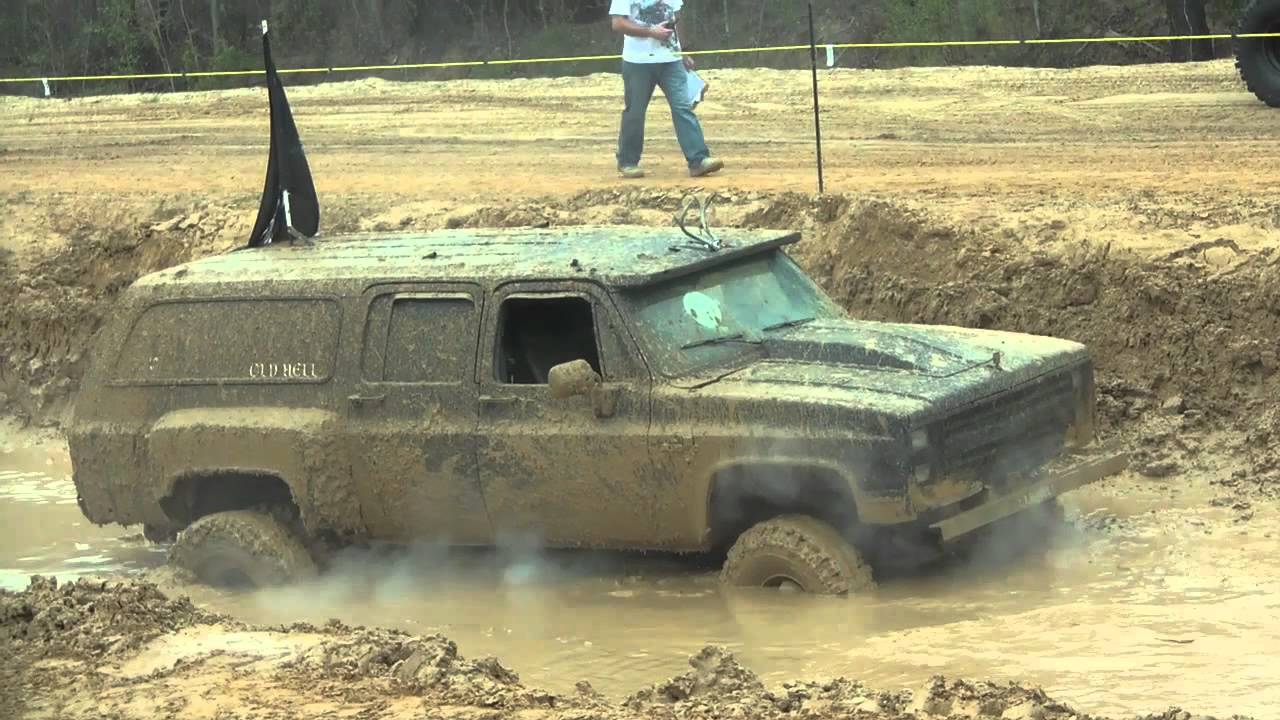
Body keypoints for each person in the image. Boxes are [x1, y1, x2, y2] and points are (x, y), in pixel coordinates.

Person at [608, 1, 725, 179]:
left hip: (671, 60)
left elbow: (677, 18)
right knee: (635, 113)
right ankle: (627, 162)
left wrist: (683, 51)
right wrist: (650, 31)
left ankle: (698, 160)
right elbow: (618, 23)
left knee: (682, 107)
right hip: (638, 62)